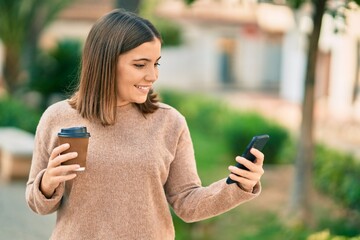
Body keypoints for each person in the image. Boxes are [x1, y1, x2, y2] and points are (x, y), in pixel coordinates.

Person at [26, 8, 265, 239]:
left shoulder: (169, 122)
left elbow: (188, 203)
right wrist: (47, 183)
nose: (152, 76)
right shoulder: (57, 118)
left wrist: (237, 186)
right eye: (140, 65)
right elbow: (38, 204)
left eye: (156, 63)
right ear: (105, 63)